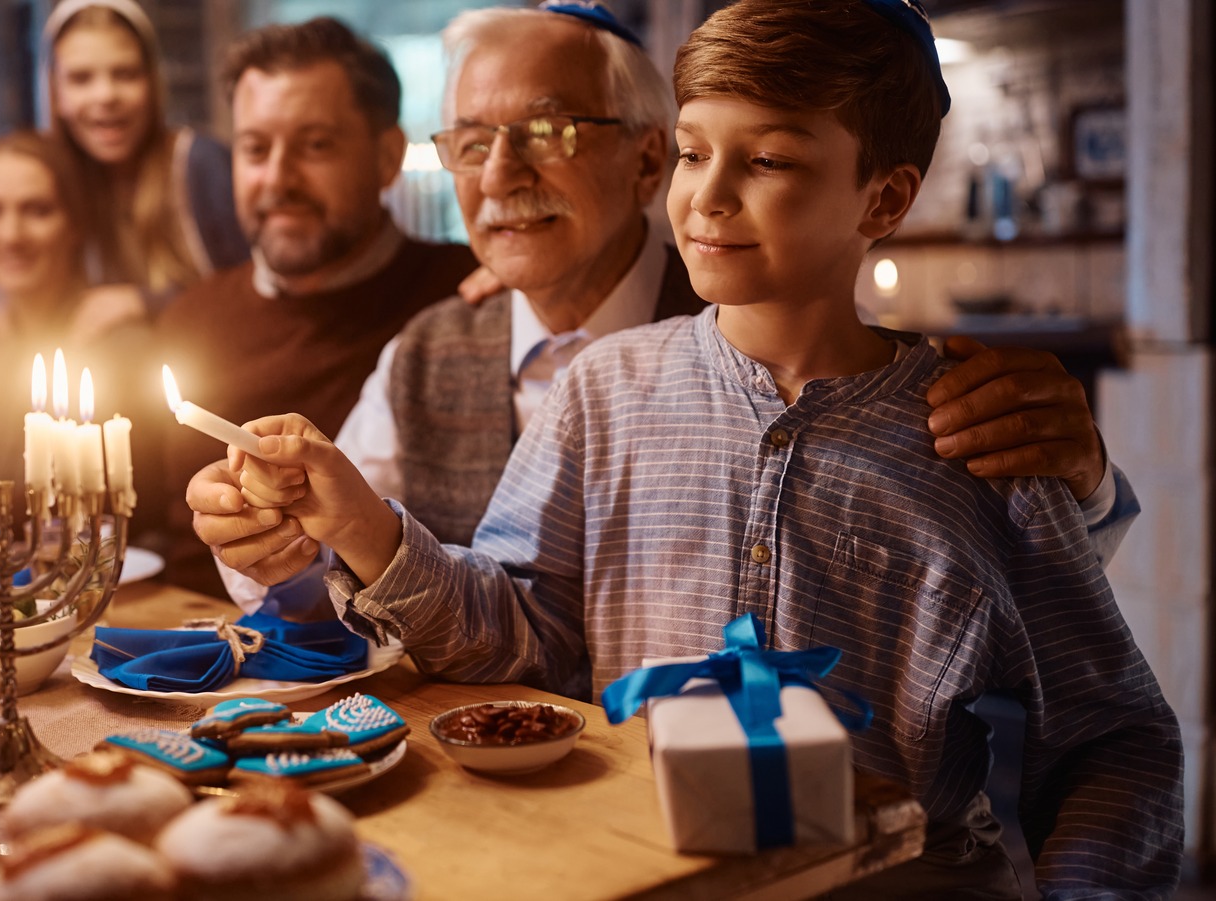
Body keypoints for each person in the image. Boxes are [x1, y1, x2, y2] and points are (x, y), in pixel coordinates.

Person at [216, 1, 1183, 895]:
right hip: (637, 871)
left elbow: (1113, 741)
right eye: (692, 152)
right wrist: (361, 525)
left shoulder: (974, 435)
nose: (709, 198)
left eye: (768, 161)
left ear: (883, 199)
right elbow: (517, 630)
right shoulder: (601, 391)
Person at [191, 2, 1136, 610]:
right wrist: (267, 538)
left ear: (645, 160)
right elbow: (329, 554)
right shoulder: (435, 341)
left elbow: (1035, 597)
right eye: (472, 142)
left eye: (548, 132)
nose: (501, 176)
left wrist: (1084, 478)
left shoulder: (757, 296)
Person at [150, 17, 479, 593]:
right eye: (255, 148)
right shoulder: (190, 319)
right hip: (196, 652)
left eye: (316, 145)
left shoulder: (467, 300)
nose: (279, 177)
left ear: (386, 156)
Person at [0, 131, 158, 528]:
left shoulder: (122, 345)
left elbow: (147, 514)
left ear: (76, 222)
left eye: (37, 210)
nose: (11, 235)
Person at [41, 0, 247, 311]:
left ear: (152, 83)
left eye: (125, 74)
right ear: (55, 93)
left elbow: (260, 289)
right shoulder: (59, 188)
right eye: (81, 79)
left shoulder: (199, 165)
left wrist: (144, 304)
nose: (106, 95)